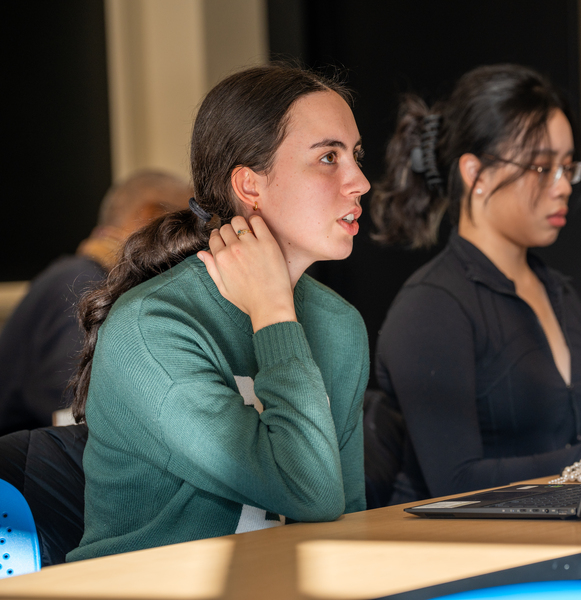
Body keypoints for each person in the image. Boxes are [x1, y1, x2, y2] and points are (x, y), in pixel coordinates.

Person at [66, 64, 371, 561]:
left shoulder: (340, 325)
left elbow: (347, 517)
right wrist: (274, 312)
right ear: (250, 186)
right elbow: (310, 491)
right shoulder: (153, 330)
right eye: (328, 158)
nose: (360, 182)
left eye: (356, 156)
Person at [371, 64, 581, 504]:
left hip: (565, 543)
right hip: (473, 557)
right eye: (541, 168)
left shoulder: (560, 292)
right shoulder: (432, 306)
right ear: (474, 173)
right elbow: (456, 482)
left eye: (567, 167)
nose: (562, 187)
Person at [0, 171, 190, 436]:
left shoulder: (76, 276)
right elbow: (80, 420)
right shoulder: (83, 286)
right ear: (152, 217)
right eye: (187, 228)